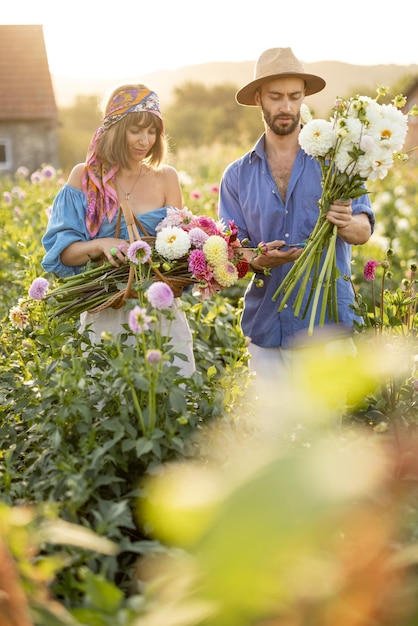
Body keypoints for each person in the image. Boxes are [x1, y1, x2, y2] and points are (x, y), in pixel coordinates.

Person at [218, 48, 375, 386]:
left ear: (304, 97)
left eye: (294, 96)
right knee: (273, 437)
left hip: (325, 327)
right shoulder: (237, 175)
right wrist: (258, 260)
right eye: (276, 97)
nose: (286, 106)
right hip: (266, 329)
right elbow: (232, 254)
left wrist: (346, 222)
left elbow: (363, 230)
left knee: (330, 436)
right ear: (259, 98)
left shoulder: (338, 162)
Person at [42, 84, 195, 377]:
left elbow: (178, 247)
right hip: (105, 311)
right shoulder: (86, 177)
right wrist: (99, 244)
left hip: (159, 309)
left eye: (152, 132)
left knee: (169, 397)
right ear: (116, 129)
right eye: (136, 130)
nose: (145, 140)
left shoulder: (166, 178)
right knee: (108, 401)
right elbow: (64, 254)